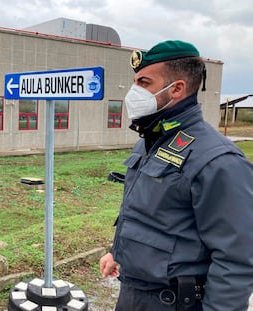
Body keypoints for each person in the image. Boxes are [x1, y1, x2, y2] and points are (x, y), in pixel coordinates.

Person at [99, 40, 253, 310]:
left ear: (177, 89)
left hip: (173, 302)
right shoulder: (150, 141)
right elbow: (142, 212)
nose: (134, 92)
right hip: (133, 292)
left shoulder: (217, 160)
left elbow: (236, 259)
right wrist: (117, 251)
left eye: (144, 83)